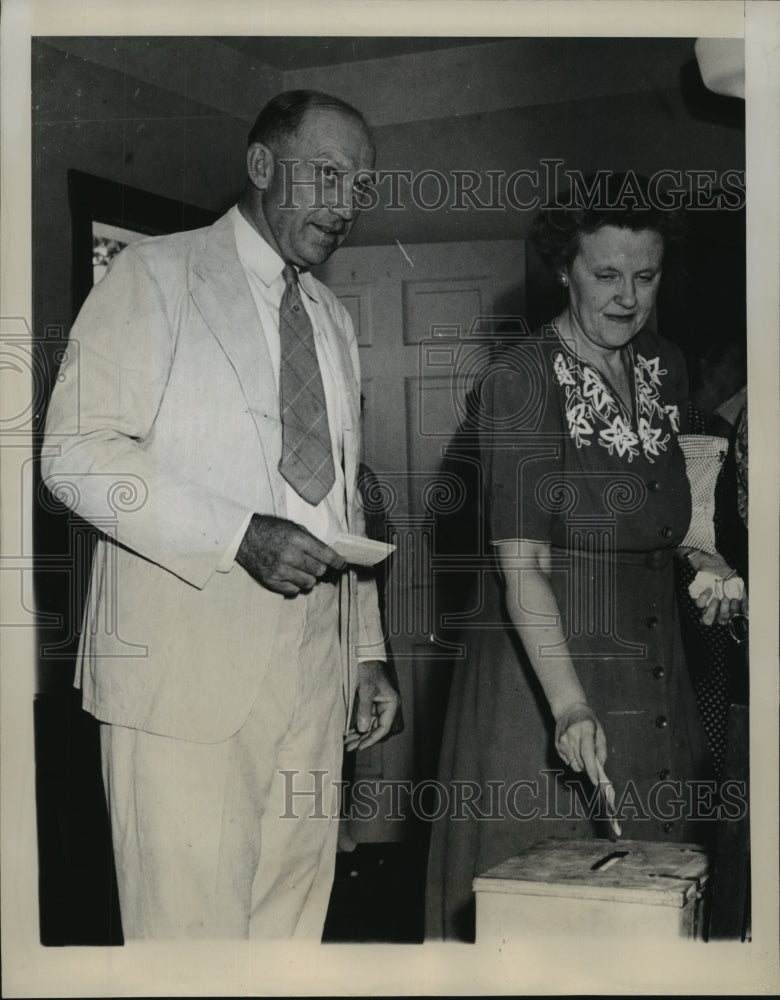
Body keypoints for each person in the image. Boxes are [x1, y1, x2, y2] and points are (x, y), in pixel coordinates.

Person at [42, 89, 399, 940]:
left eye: (359, 186)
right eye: (326, 176)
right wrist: (237, 535)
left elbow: (339, 499)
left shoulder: (332, 318)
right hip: (183, 679)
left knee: (289, 944)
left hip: (313, 682)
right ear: (261, 165)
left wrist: (365, 653)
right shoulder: (153, 276)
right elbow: (75, 454)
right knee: (187, 950)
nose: (345, 206)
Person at [425, 180, 742, 941]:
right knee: (549, 911)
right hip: (545, 672)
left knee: (656, 902)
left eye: (646, 275)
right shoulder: (521, 381)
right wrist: (568, 706)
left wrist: (707, 560)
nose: (629, 298)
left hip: (650, 669)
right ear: (563, 271)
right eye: (606, 275)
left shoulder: (664, 364)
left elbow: (672, 515)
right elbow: (522, 566)